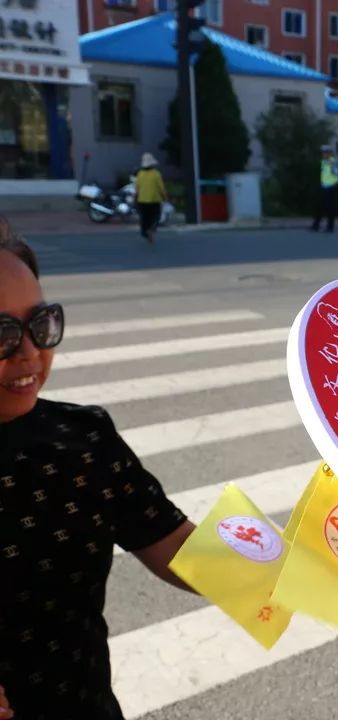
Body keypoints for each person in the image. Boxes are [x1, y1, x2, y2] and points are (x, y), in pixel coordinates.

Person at [0, 217, 197, 720]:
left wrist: (318, 567)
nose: (29, 353)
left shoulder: (83, 439)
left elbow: (178, 547)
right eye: (0, 334)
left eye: (39, 324)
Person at [134, 152, 168, 244]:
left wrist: (135, 198)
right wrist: (165, 197)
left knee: (144, 218)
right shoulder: (156, 174)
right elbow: (161, 188)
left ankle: (145, 232)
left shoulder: (140, 174)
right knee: (155, 217)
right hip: (154, 200)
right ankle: (151, 230)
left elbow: (137, 188)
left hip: (142, 200)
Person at [311, 144, 338, 233]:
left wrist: (333, 167)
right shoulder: (324, 162)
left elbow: (337, 173)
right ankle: (316, 225)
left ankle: (330, 227)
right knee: (319, 206)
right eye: (323, 153)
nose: (324, 154)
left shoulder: (333, 162)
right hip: (324, 186)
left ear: (329, 153)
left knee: (330, 208)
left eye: (325, 153)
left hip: (331, 187)